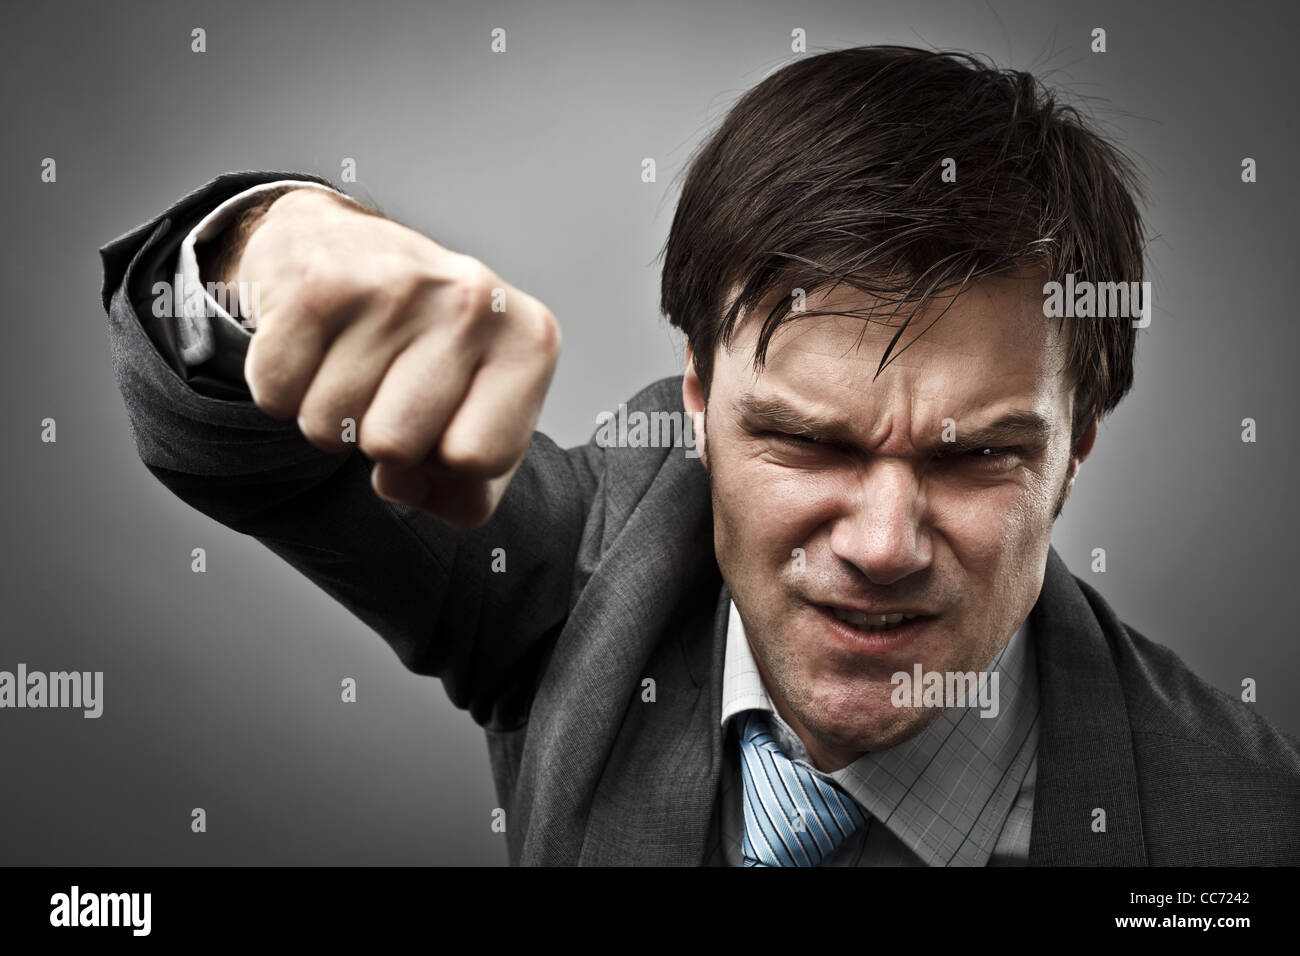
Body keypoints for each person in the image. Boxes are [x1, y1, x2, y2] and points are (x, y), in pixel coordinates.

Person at [100, 45, 1300, 865]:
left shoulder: (1241, 827)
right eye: (801, 439)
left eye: (976, 456)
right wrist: (263, 258)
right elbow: (229, 449)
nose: (881, 545)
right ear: (696, 399)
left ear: (1076, 446)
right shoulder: (580, 573)